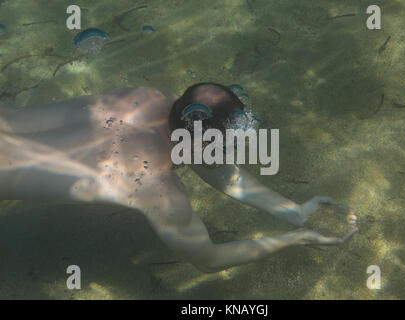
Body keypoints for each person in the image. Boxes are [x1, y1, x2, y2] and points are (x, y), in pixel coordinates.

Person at [0, 83, 357, 273]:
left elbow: (209, 160)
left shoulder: (153, 97)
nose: (225, 154)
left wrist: (292, 211)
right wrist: (297, 238)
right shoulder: (154, 184)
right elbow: (209, 260)